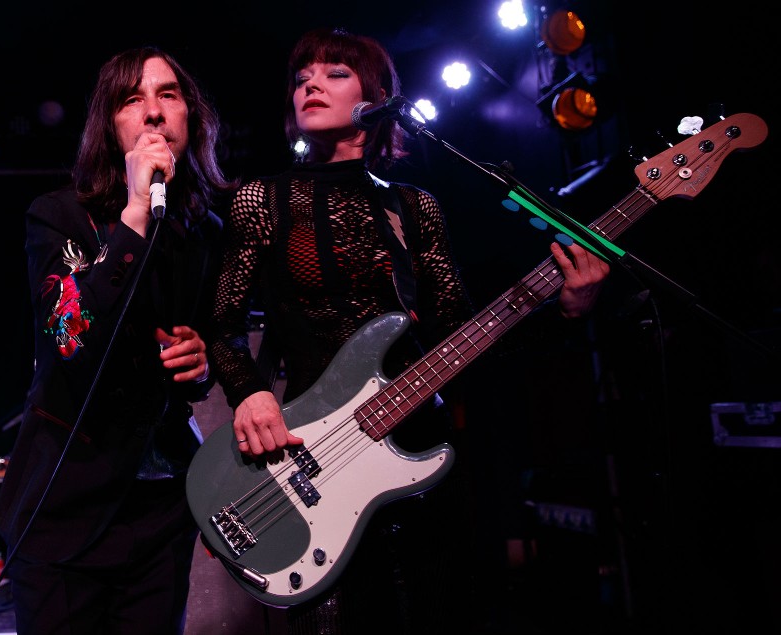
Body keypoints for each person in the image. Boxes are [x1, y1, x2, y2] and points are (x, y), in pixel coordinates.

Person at [207, 27, 611, 634]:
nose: (310, 83)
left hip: (419, 454)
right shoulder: (262, 199)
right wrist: (251, 393)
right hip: (315, 462)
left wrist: (566, 310)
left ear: (376, 98)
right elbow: (222, 327)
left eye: (335, 73)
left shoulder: (412, 207)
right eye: (301, 77)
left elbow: (466, 338)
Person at [0, 46, 236, 635]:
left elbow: (211, 343)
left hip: (160, 508)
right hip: (64, 505)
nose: (153, 113)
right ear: (110, 124)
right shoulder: (57, 216)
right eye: (133, 99)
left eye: (168, 96)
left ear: (190, 119)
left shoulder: (205, 231)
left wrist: (199, 362)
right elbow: (66, 338)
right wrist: (133, 216)